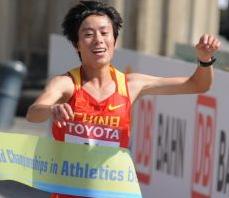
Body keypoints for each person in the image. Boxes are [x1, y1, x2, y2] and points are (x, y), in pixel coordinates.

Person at [26, 1, 221, 198]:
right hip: (69, 192)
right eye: (88, 34)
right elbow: (33, 113)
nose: (98, 40)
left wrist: (205, 60)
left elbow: (197, 85)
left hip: (113, 190)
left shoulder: (131, 85)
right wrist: (51, 110)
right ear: (76, 44)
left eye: (104, 33)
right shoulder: (66, 83)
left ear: (115, 40)